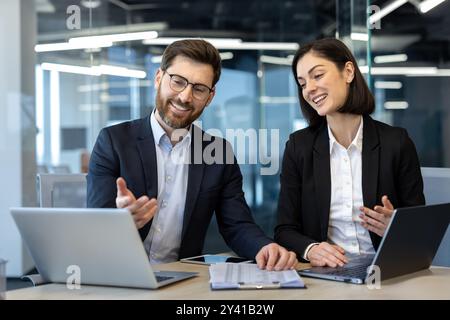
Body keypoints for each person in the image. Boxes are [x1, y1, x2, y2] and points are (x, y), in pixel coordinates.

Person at [87, 39, 297, 270]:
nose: (185, 97)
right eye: (178, 82)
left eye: (198, 89)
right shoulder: (114, 141)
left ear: (210, 97)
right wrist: (119, 219)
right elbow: (94, 226)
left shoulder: (217, 152)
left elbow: (236, 224)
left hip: (182, 281)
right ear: (159, 78)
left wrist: (263, 247)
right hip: (119, 276)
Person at [274, 38, 425, 268]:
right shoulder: (299, 146)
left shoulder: (396, 143)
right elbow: (285, 230)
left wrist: (396, 228)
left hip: (386, 271)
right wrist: (312, 249)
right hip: (326, 275)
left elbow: (422, 230)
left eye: (317, 75)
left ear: (348, 72)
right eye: (302, 83)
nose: (309, 89)